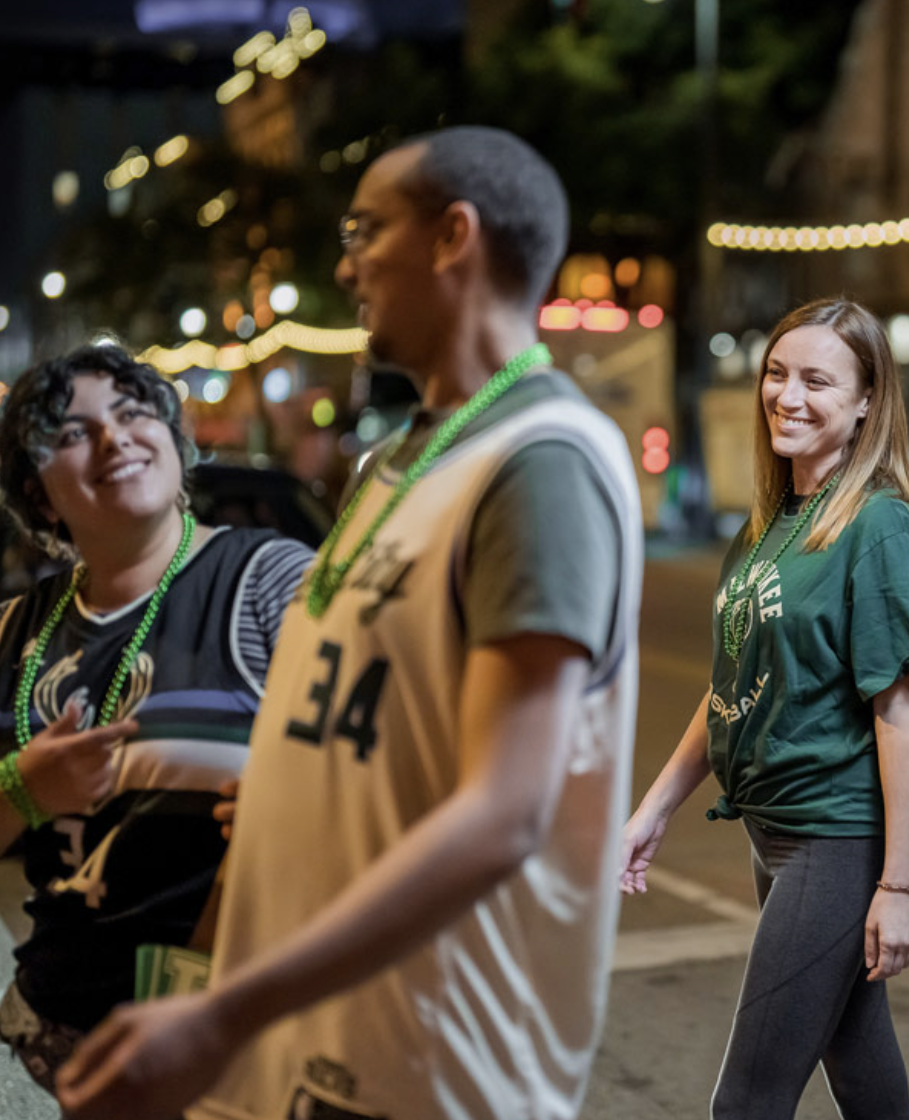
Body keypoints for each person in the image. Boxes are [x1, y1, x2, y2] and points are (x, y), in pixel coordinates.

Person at [55, 125, 644, 1120]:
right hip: (319, 1043)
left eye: (366, 230)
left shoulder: (541, 462)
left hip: (424, 1060)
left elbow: (506, 810)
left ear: (453, 236)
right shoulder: (397, 463)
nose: (345, 262)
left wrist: (221, 1014)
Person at [621, 297, 909, 1120]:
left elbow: (897, 715)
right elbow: (729, 684)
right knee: (864, 1075)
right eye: (776, 373)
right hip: (775, 835)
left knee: (748, 1101)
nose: (787, 396)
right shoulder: (769, 525)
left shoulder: (879, 530)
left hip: (833, 842)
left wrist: (897, 886)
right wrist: (654, 808)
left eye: (817, 382)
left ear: (868, 401)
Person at [0, 343, 311, 1093]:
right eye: (73, 433)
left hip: (236, 1037)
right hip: (64, 1039)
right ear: (41, 496)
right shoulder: (15, 630)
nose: (114, 439)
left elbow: (369, 772)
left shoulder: (271, 583)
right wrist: (23, 788)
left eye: (134, 413)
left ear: (173, 441)